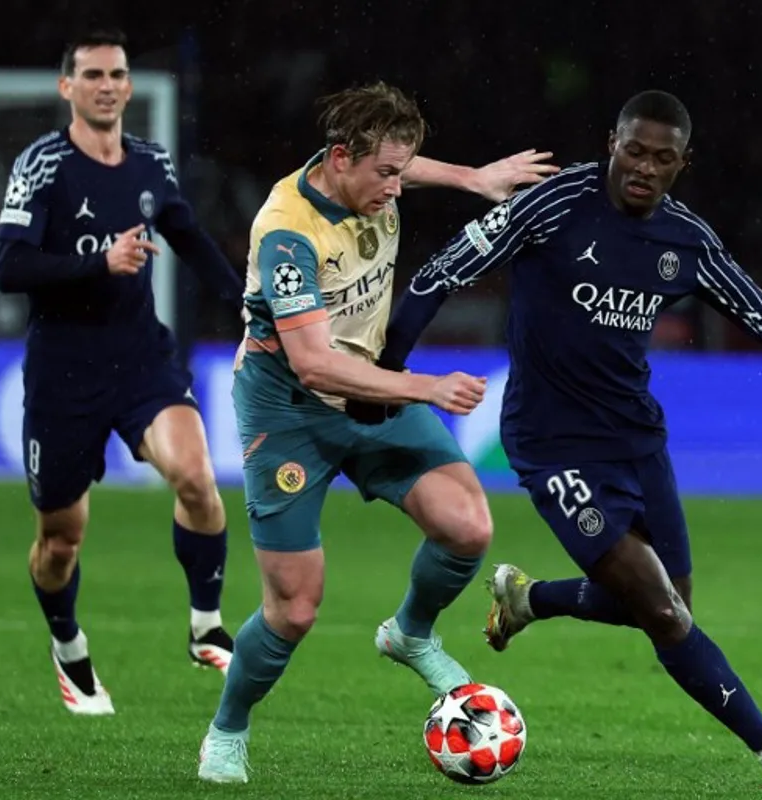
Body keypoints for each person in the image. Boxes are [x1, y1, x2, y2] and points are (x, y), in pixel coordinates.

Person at [375, 90, 762, 792]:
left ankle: (530, 599)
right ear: (611, 142)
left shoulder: (686, 240)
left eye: (662, 157)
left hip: (635, 440)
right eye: (634, 150)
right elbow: (443, 272)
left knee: (667, 604)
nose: (644, 167)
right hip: (550, 442)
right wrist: (387, 376)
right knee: (661, 611)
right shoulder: (553, 205)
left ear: (684, 163)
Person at [195, 81, 558, 784]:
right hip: (291, 411)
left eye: (402, 171)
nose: (396, 189)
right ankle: (227, 730)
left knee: (467, 527)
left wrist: (471, 178)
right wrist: (428, 388)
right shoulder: (287, 233)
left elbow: (405, 164)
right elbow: (313, 363)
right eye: (386, 174)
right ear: (339, 159)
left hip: (368, 389)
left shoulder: (365, 171)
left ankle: (410, 635)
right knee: (295, 608)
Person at [0, 29, 247, 716]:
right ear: (67, 87)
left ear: (131, 86)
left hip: (140, 358)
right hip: (63, 372)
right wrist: (97, 263)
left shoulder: (152, 163)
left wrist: (245, 306)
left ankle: (204, 625)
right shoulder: (42, 166)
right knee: (60, 539)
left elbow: (188, 235)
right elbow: (9, 268)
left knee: (196, 476)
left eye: (117, 74)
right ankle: (68, 644)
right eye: (93, 74)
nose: (107, 85)